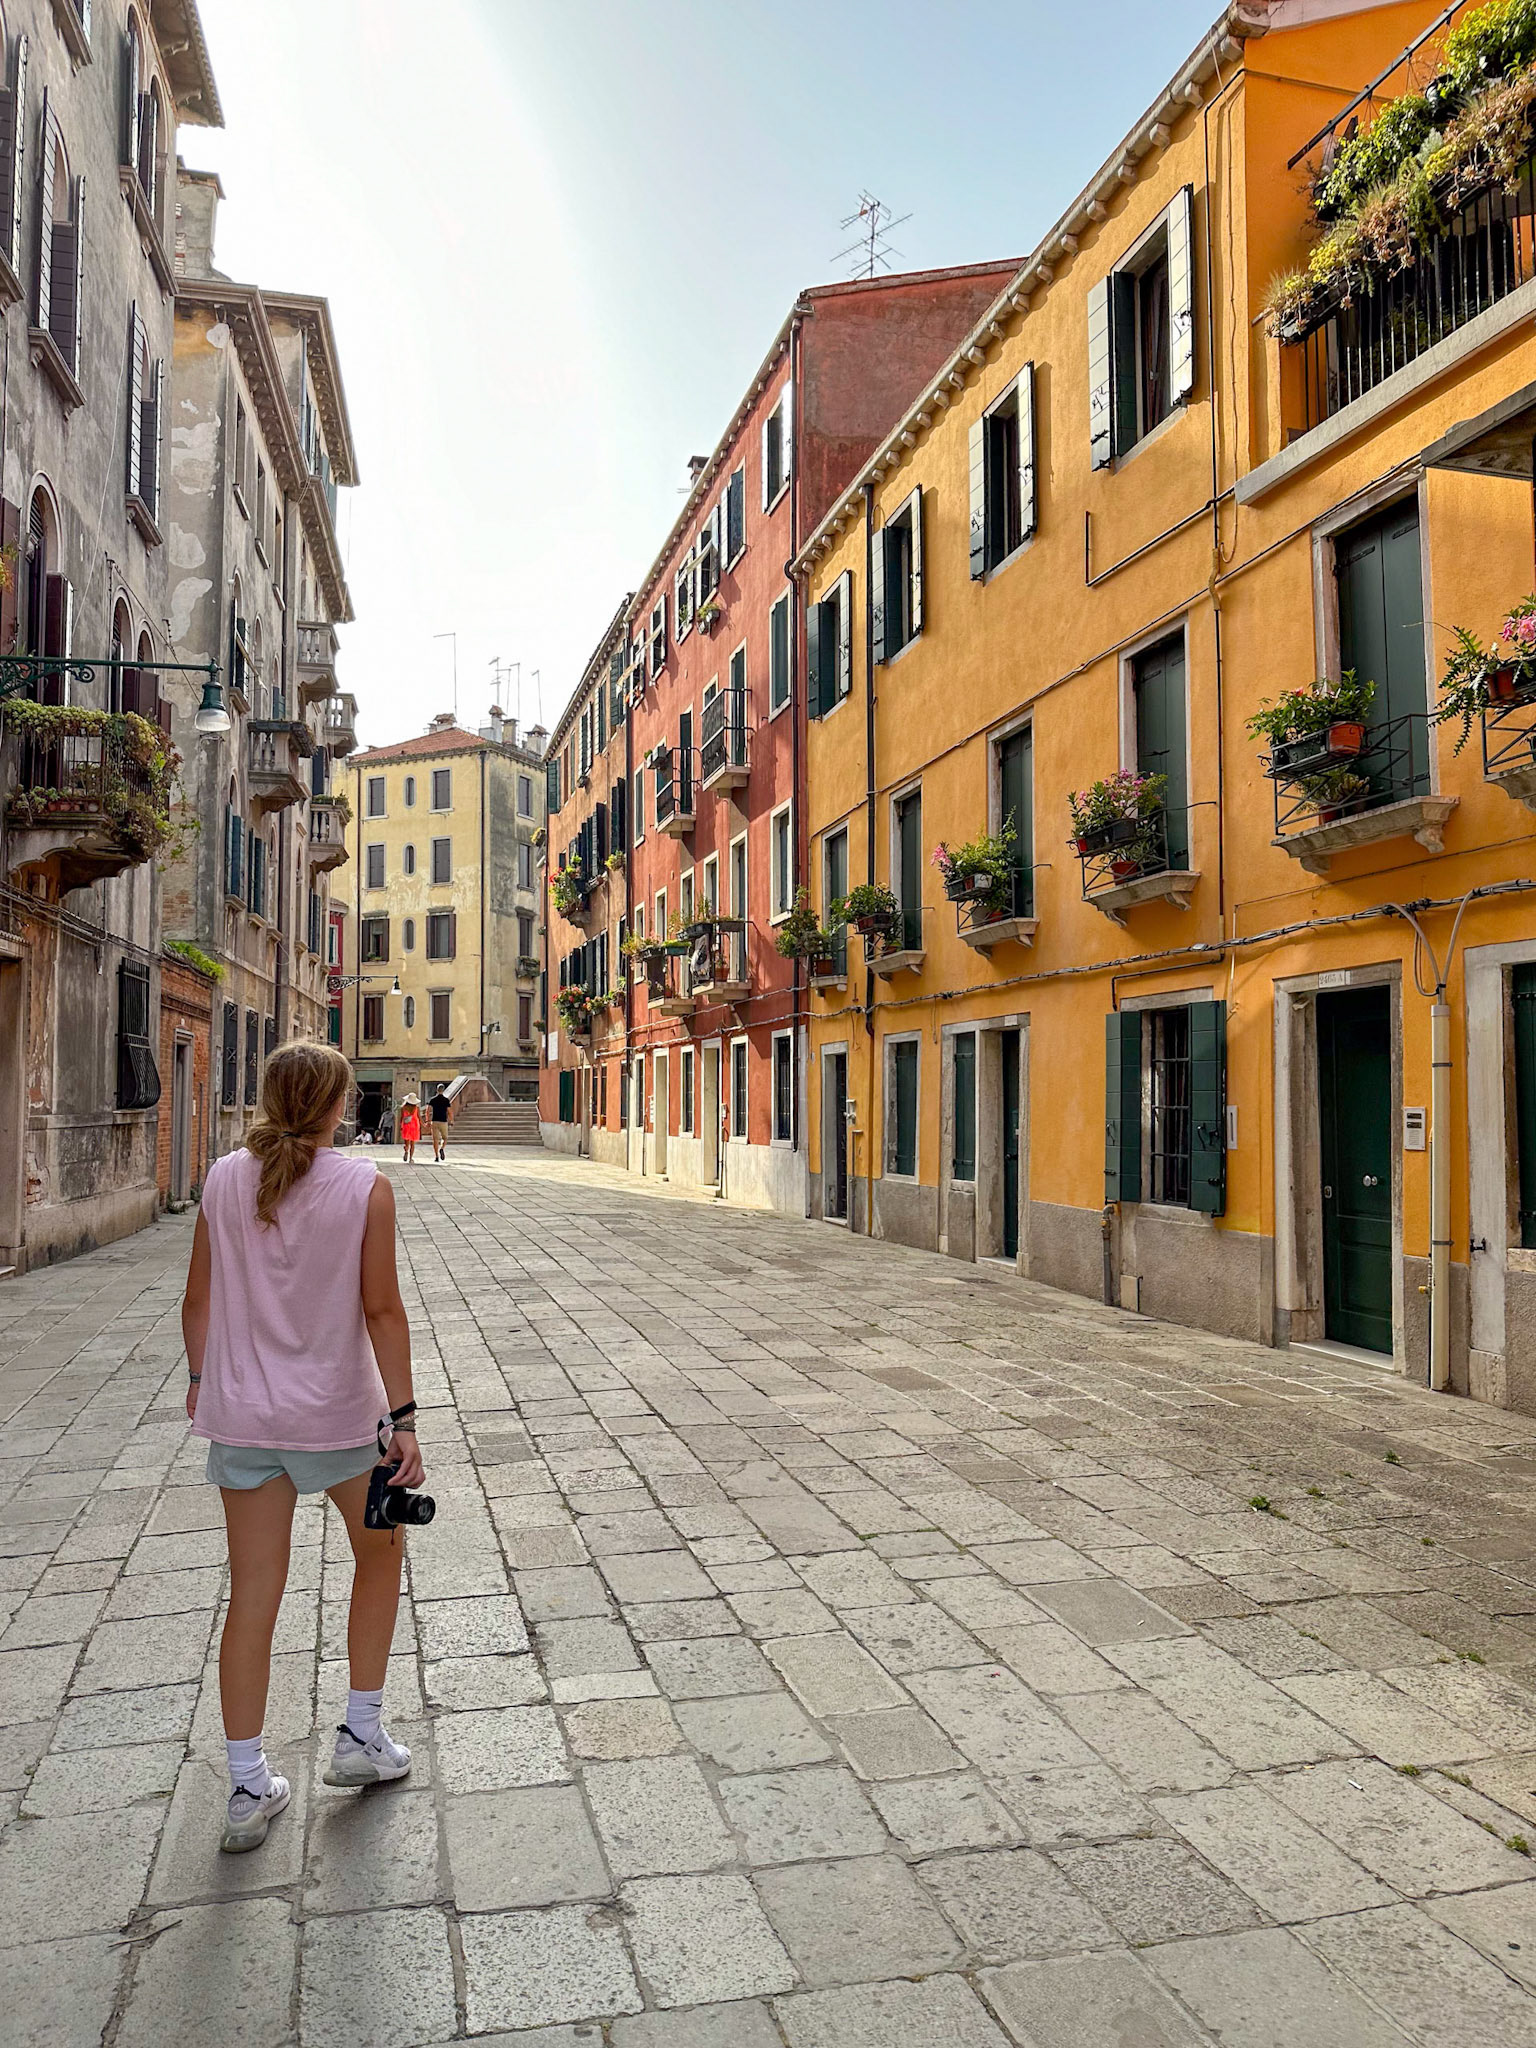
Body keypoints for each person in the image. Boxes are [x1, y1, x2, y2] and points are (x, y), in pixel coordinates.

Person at [180, 1042, 426, 1854]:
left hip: (244, 1417)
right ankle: (360, 1734)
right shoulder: (365, 1188)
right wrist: (405, 1419)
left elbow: (197, 1301)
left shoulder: (221, 1179)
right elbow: (382, 1311)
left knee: (253, 1594)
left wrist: (201, 1380)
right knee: (381, 1552)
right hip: (341, 1420)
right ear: (334, 1106)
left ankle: (247, 1785)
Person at [428, 1085, 451, 1162]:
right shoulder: (446, 1100)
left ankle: (436, 1156)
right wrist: (451, 1120)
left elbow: (428, 1110)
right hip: (443, 1121)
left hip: (435, 1121)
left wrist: (428, 1120)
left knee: (435, 1140)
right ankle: (442, 1148)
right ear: (443, 1090)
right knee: (445, 1138)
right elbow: (449, 1111)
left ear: (437, 1090)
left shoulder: (433, 1100)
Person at [399, 1094, 421, 1164]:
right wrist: (424, 1124)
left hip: (406, 1125)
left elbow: (402, 1117)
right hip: (414, 1126)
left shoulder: (403, 1108)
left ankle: (406, 1150)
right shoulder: (416, 1108)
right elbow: (419, 1117)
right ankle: (410, 1158)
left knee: (406, 1142)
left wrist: (400, 1126)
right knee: (412, 1144)